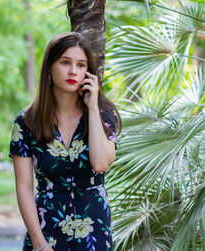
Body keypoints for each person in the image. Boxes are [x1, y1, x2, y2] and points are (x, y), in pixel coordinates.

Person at [9, 32, 121, 251]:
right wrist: (40, 244)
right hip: (45, 230)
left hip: (94, 231)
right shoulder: (26, 122)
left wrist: (92, 108)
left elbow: (100, 164)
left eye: (81, 65)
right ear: (50, 67)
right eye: (65, 62)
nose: (73, 71)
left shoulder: (104, 115)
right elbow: (23, 187)